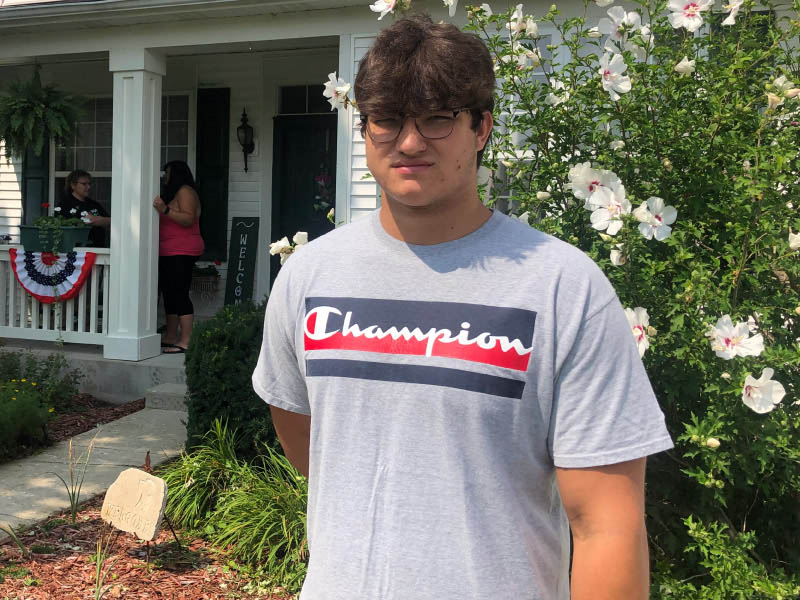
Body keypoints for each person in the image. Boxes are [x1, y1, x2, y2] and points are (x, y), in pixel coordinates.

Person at [252, 15, 673, 600]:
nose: (408, 141)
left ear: (482, 127)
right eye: (387, 119)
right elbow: (310, 443)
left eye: (437, 118)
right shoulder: (308, 278)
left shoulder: (563, 288)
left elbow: (607, 527)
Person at [153, 160, 203, 354]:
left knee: (179, 293)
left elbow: (188, 218)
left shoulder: (185, 191)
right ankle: (172, 336)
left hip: (182, 250)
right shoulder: (174, 193)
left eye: (167, 173)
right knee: (169, 293)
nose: (164, 177)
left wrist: (164, 209)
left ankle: (186, 340)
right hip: (167, 250)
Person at [58, 170, 110, 247]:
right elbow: (85, 221)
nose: (88, 187)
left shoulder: (94, 204)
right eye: (84, 184)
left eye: (89, 184)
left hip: (99, 250)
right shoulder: (65, 205)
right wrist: (99, 220)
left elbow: (111, 223)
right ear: (73, 185)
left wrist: (94, 219)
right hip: (77, 252)